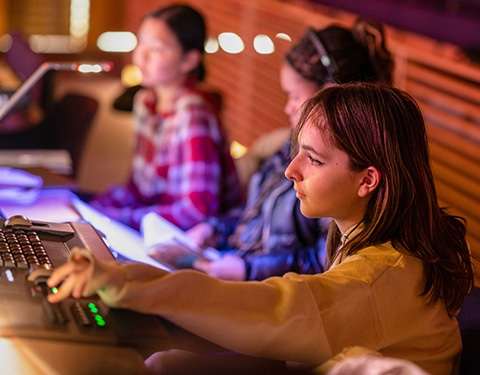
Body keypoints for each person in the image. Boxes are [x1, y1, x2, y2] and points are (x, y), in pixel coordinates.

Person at [47, 82, 473, 375]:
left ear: (368, 180)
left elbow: (276, 308)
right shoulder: (380, 246)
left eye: (314, 159)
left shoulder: (380, 277)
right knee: (167, 361)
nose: (291, 171)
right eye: (297, 153)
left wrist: (124, 282)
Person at [159, 19, 394, 281]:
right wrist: (215, 229)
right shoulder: (291, 143)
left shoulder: (345, 173)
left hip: (269, 292)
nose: (288, 107)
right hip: (234, 267)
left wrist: (248, 270)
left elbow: (326, 266)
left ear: (329, 95)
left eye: (294, 95)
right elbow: (256, 213)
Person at [88, 4, 241, 231]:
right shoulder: (145, 101)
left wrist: (120, 217)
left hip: (190, 241)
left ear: (189, 60)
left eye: (157, 48)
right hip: (155, 226)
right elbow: (140, 188)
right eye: (140, 43)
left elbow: (197, 211)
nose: (141, 56)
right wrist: (95, 208)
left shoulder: (192, 113)